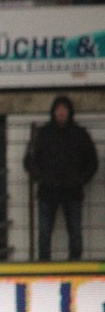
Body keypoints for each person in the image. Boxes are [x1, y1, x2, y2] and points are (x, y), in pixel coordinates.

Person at [23, 95, 99, 261]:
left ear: (70, 112)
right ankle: (45, 266)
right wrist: (42, 179)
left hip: (72, 191)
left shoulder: (79, 134)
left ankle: (74, 267)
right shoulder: (43, 134)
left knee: (75, 234)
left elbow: (92, 162)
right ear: (53, 112)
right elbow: (29, 161)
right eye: (58, 110)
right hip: (48, 191)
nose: (61, 113)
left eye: (64, 110)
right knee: (44, 234)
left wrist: (80, 180)